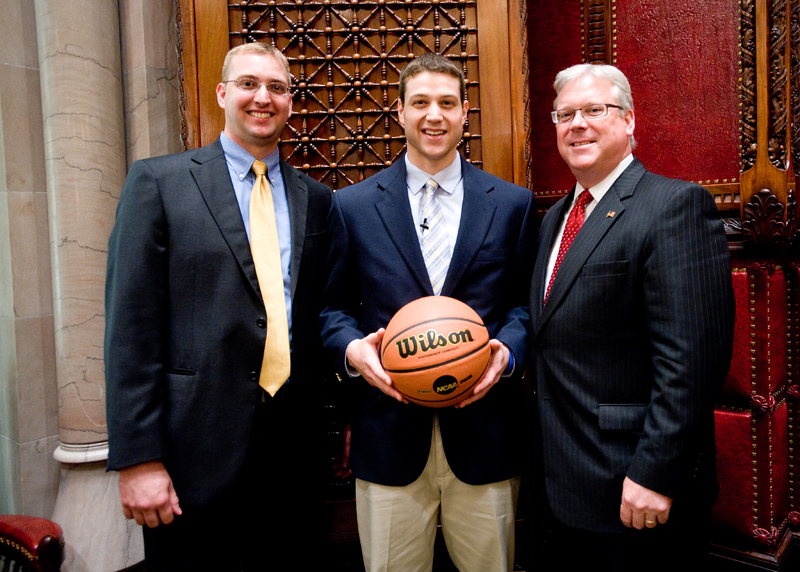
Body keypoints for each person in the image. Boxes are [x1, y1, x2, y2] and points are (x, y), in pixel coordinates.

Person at [104, 42, 332, 571]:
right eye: (249, 84)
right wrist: (139, 458)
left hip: (292, 456)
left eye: (277, 87)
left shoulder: (316, 199)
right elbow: (130, 329)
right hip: (191, 456)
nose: (263, 97)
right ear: (222, 93)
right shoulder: (158, 182)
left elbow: (315, 319)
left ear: (291, 103)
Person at [320, 53, 537, 572]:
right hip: (388, 437)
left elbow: (527, 306)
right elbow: (330, 309)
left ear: (466, 112)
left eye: (446, 102)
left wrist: (507, 352)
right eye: (420, 102)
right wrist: (353, 351)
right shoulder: (350, 206)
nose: (433, 115)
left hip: (485, 438)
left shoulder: (513, 204)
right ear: (398, 111)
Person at [529, 63, 735, 571]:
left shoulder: (673, 206)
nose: (577, 123)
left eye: (594, 110)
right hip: (562, 485)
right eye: (565, 113)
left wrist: (656, 474)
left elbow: (692, 362)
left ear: (628, 121)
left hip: (635, 489)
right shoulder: (555, 218)